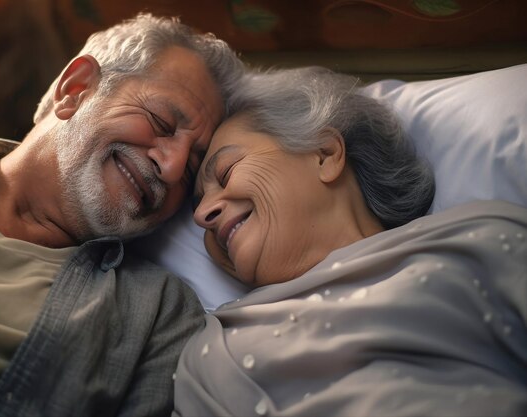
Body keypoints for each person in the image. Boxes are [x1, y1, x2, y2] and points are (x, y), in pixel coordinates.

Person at [0, 14, 245, 417]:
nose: (171, 169)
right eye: (161, 122)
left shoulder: (156, 316)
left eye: (191, 171)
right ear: (75, 89)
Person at [174, 67, 527, 416]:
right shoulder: (209, 357)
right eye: (198, 203)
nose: (202, 215)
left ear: (325, 154)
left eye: (225, 173)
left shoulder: (481, 240)